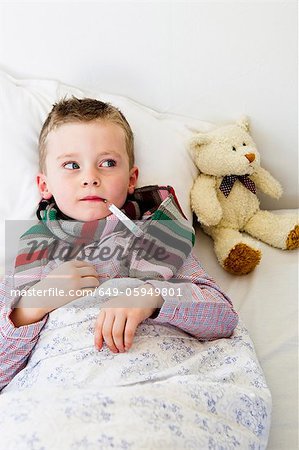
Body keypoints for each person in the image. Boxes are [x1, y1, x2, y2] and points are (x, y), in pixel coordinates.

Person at [0, 97, 238, 391]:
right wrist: (33, 304)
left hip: (159, 380)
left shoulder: (159, 234)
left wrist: (151, 297)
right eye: (71, 165)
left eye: (108, 163)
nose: (90, 178)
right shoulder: (34, 250)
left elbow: (223, 318)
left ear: (131, 179)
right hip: (67, 387)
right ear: (44, 185)